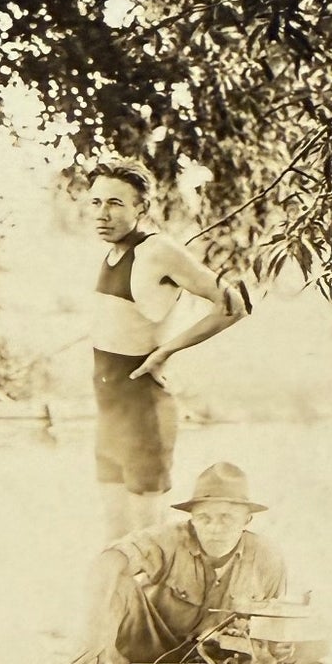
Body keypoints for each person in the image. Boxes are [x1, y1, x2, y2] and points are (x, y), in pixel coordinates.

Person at [43, 461, 287, 664]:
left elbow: (278, 628)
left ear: (247, 520)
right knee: (117, 584)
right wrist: (99, 634)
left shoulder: (268, 559)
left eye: (227, 517)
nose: (215, 528)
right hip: (149, 648)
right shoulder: (170, 539)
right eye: (205, 518)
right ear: (192, 519)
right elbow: (109, 561)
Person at [85, 157, 250, 537]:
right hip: (109, 404)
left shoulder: (159, 250)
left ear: (141, 207)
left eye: (115, 203)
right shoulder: (111, 252)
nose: (102, 213)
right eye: (96, 202)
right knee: (115, 533)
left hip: (143, 405)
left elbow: (233, 305)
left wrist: (167, 351)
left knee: (148, 537)